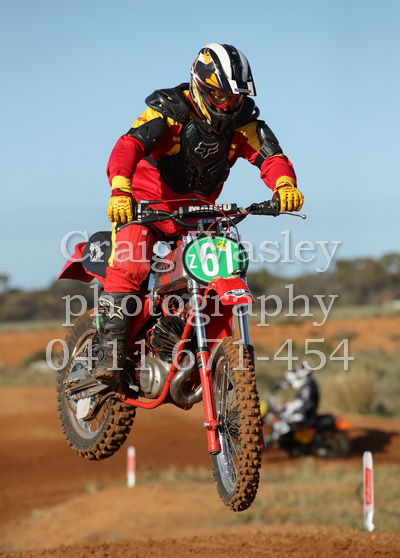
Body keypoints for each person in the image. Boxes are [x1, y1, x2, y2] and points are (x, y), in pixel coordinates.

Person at [93, 43, 304, 386]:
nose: (227, 104)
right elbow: (128, 145)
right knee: (131, 265)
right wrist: (120, 189)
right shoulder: (170, 110)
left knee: (221, 269)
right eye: (220, 95)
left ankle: (200, 352)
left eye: (234, 97)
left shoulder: (244, 123)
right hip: (145, 208)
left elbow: (272, 157)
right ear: (200, 86)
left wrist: (284, 185)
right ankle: (108, 355)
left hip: (199, 215)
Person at [268, 364, 320, 438]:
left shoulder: (308, 387)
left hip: (305, 416)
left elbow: (301, 404)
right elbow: (292, 384)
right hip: (304, 413)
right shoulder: (307, 385)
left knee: (282, 426)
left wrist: (284, 408)